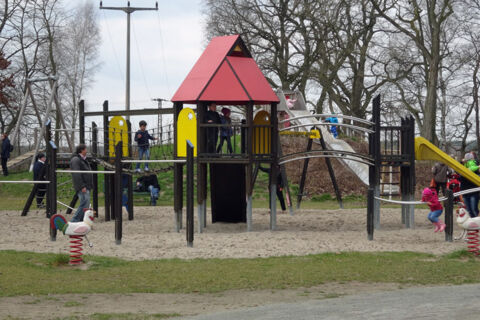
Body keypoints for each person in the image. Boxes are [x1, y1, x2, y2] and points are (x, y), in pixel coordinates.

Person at [70, 144, 93, 222]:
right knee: (84, 203)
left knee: (85, 203)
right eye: (86, 149)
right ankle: (74, 220)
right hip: (83, 186)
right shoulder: (76, 159)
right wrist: (82, 186)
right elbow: (77, 174)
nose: (87, 150)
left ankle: (80, 220)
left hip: (86, 185)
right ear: (82, 150)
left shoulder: (83, 159)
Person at [460, 152, 480, 218]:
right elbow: (458, 172)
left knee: (474, 210)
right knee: (469, 210)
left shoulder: (476, 168)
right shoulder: (462, 168)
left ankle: (477, 223)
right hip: (465, 192)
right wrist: (461, 163)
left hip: (473, 192)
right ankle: (473, 225)